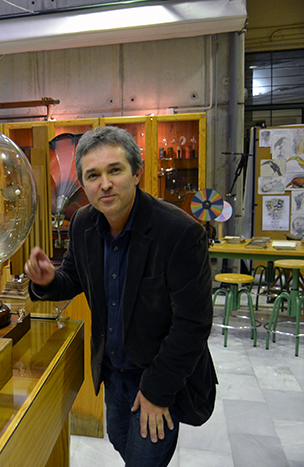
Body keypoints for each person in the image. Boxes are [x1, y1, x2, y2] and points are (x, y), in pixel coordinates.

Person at [24, 126, 217, 466]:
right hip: (113, 375)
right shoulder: (84, 223)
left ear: (137, 173)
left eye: (115, 170)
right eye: (93, 175)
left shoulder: (180, 232)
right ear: (83, 185)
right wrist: (48, 280)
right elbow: (73, 279)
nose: (105, 183)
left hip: (157, 377)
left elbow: (194, 324)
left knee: (144, 460)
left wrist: (157, 393)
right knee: (120, 441)